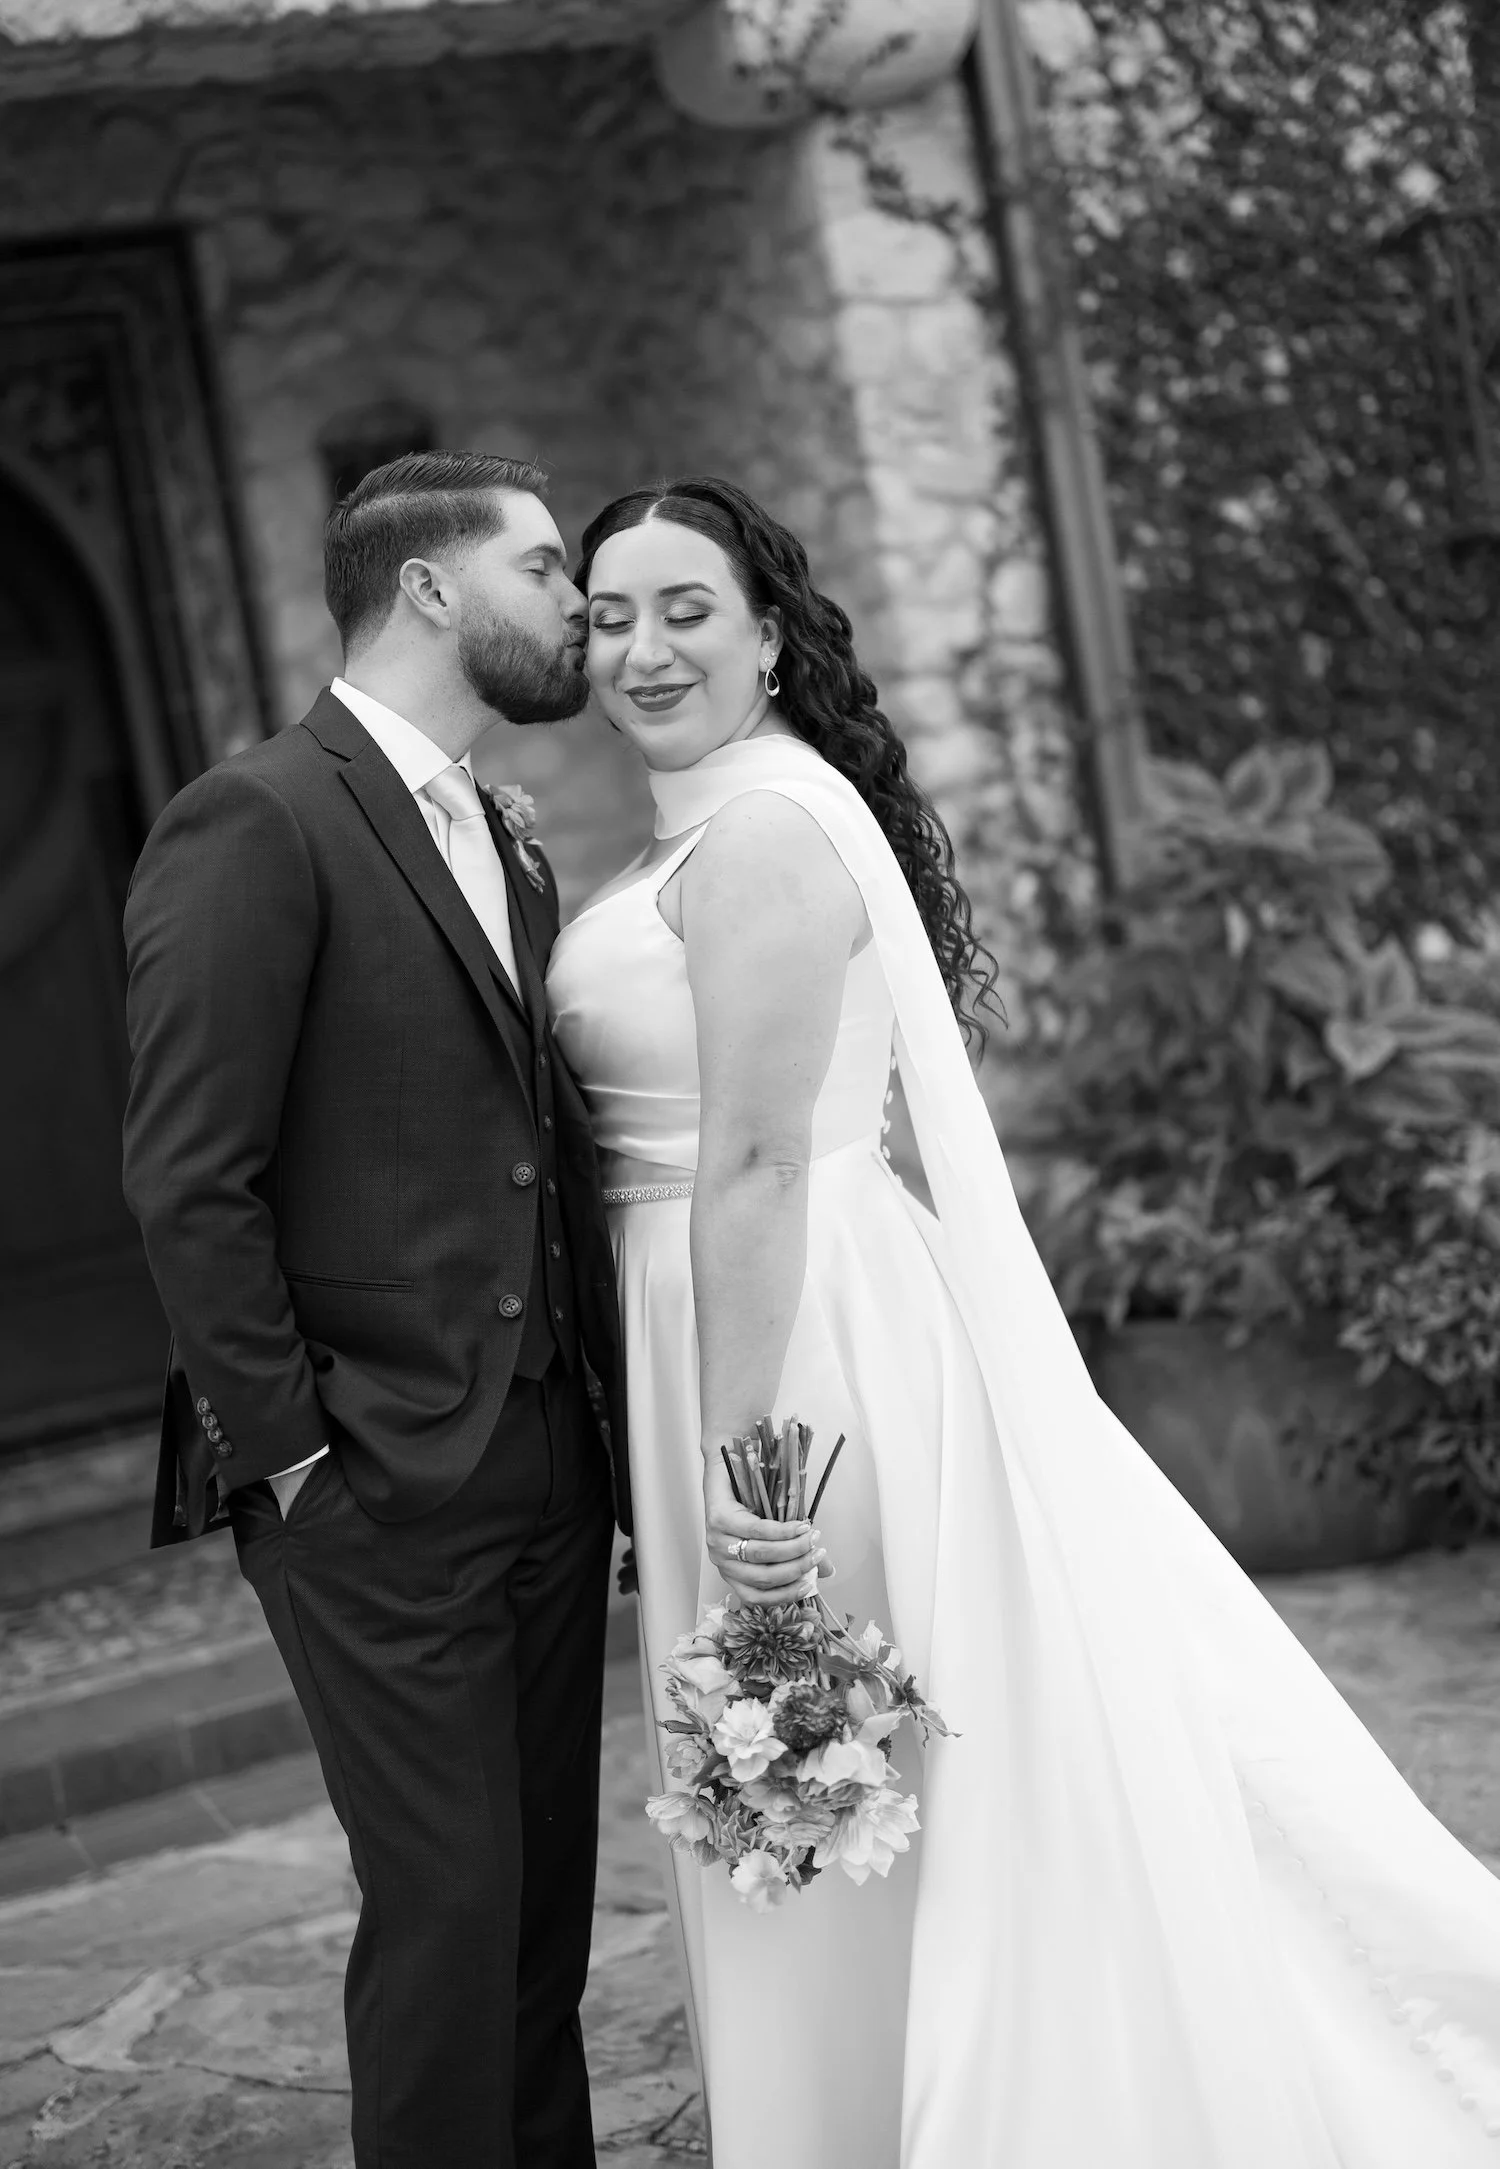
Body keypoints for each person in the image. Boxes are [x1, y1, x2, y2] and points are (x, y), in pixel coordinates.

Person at [546, 474, 1500, 2169]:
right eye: (609, 615)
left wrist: (737, 1469)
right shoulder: (708, 823)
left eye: (686, 608)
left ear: (769, 636)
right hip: (746, 1323)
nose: (642, 646)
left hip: (791, 1357)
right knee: (811, 1776)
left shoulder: (765, 833)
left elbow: (760, 1160)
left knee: (822, 1750)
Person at [122, 451, 626, 2169]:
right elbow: (192, 1177)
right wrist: (292, 1465)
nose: (581, 606)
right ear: (430, 587)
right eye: (549, 569)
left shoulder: (499, 823)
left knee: (542, 1909)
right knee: (447, 1917)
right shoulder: (256, 818)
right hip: (372, 1484)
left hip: (552, 1460)